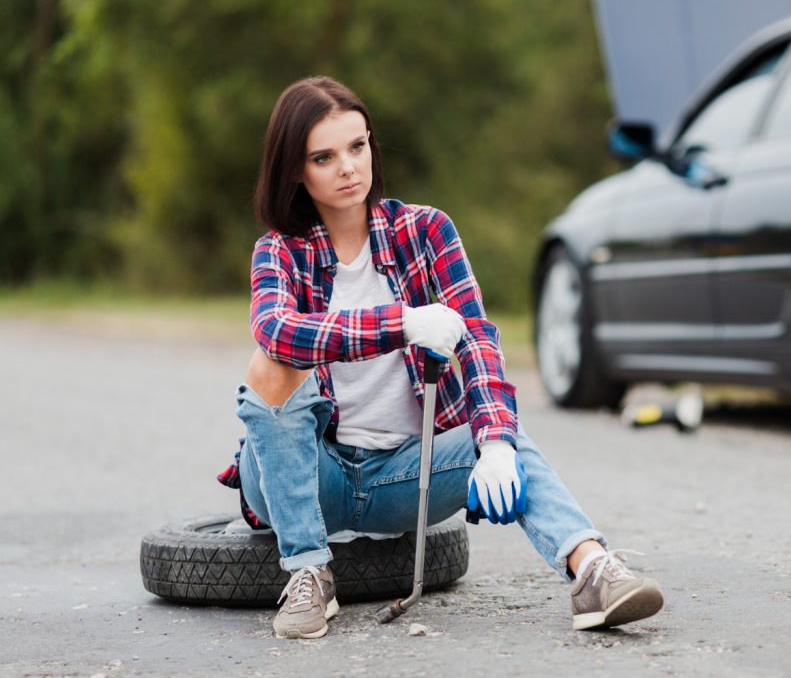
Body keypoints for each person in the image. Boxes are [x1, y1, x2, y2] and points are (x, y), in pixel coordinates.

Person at [218, 76, 664, 640]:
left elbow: (476, 337)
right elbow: (276, 331)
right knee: (269, 366)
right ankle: (309, 572)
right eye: (324, 157)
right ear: (295, 171)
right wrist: (401, 324)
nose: (349, 167)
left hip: (406, 473)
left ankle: (594, 570)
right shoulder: (279, 251)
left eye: (358, 147)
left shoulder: (426, 230)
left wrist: (496, 442)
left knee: (504, 434)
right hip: (312, 477)